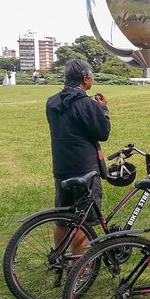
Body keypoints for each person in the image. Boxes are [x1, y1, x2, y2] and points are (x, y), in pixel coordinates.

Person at [46, 59, 110, 254]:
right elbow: (102, 133)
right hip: (85, 168)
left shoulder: (52, 102)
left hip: (62, 166)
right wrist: (103, 110)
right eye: (92, 77)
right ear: (85, 79)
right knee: (84, 221)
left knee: (62, 217)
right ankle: (79, 266)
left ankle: (58, 257)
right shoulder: (86, 104)